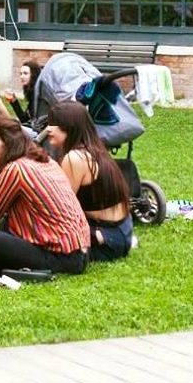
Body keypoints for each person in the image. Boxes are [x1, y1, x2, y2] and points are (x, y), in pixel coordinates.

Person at [0, 119, 90, 276]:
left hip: (60, 257)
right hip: (80, 252)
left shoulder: (15, 168)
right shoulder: (45, 160)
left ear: (8, 142)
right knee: (7, 223)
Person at [42, 101, 134, 262]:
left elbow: (61, 209)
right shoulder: (95, 149)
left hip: (107, 239)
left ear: (70, 127)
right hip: (122, 231)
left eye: (54, 124)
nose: (48, 129)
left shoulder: (74, 158)